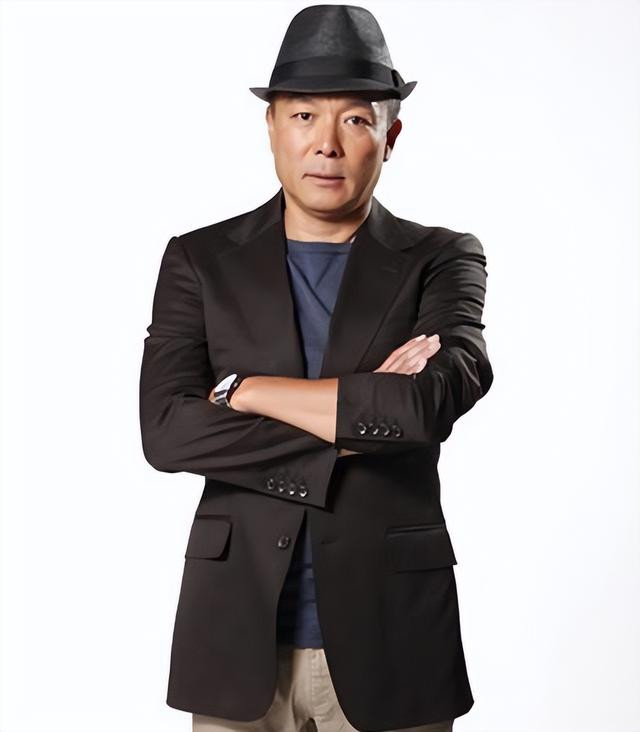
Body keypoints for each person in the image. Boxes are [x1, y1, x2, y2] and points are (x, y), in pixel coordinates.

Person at [139, 5, 493, 732]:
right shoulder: (199, 260)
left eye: (355, 120)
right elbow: (168, 434)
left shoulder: (442, 258)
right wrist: (359, 418)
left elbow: (423, 408)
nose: (326, 143)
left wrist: (244, 391)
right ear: (272, 126)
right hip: (236, 635)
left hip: (392, 637)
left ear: (390, 137)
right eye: (303, 115)